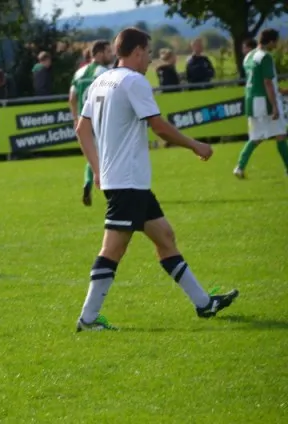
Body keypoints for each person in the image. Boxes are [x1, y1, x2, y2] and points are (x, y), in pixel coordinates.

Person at [74, 27, 239, 332]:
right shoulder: (133, 81)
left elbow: (81, 130)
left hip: (125, 180)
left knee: (165, 236)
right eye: (148, 52)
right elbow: (159, 127)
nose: (150, 59)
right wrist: (195, 145)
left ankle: (204, 304)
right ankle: (88, 319)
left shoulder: (101, 80)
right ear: (137, 51)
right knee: (112, 250)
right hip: (127, 181)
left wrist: (97, 169)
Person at [234, 29, 288, 178]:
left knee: (256, 136)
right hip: (265, 102)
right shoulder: (265, 56)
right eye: (275, 42)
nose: (276, 45)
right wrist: (275, 106)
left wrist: (279, 90)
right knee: (280, 134)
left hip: (252, 101)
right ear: (270, 41)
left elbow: (257, 79)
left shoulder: (249, 56)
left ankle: (239, 167)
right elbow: (267, 82)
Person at [69, 40, 114, 207]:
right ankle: (112, 192)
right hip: (101, 119)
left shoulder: (79, 73)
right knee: (107, 156)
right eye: (108, 52)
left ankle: (88, 181)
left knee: (94, 155)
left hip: (84, 120)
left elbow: (72, 97)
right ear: (99, 53)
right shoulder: (105, 72)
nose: (111, 55)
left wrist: (75, 118)